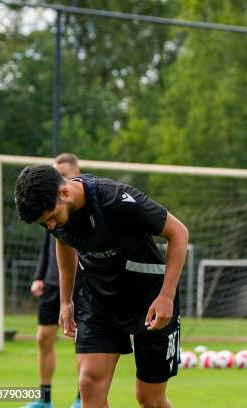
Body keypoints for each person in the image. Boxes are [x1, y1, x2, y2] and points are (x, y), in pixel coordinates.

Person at [15, 164, 188, 408]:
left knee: (150, 399)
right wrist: (66, 301)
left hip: (149, 299)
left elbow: (179, 233)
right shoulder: (53, 215)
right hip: (98, 299)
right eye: (45, 223)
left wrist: (166, 296)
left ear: (64, 193)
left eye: (52, 218)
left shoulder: (116, 199)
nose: (51, 226)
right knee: (89, 384)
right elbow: (63, 243)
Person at [24, 153, 82, 408]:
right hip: (52, 283)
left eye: (64, 174)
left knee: (83, 342)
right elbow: (49, 246)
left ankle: (82, 399)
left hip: (81, 283)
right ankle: (45, 400)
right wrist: (39, 276)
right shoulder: (50, 210)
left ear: (75, 173)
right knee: (43, 338)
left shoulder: (81, 209)